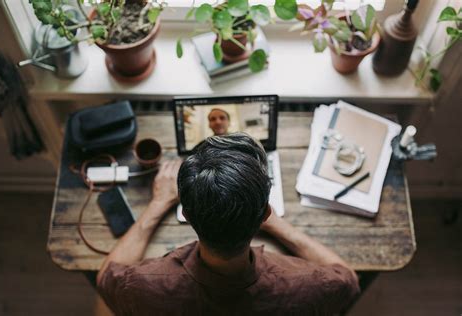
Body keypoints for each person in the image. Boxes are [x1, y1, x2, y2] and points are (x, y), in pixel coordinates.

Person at [97, 133, 360, 315]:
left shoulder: (143, 286)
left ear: (186, 215)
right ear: (265, 214)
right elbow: (348, 280)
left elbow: (105, 278)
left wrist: (158, 203)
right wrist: (276, 224)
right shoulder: (307, 286)